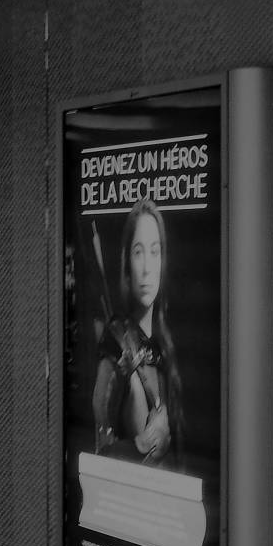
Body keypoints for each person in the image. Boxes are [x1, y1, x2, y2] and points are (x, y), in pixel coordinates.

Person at [90, 200, 184, 469]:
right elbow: (101, 450)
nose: (146, 268)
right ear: (127, 263)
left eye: (155, 252)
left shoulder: (165, 343)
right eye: (138, 252)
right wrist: (142, 444)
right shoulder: (116, 340)